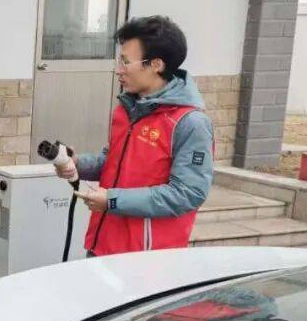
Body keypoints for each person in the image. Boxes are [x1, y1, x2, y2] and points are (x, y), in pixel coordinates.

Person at [55, 15, 214, 256]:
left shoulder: (190, 123)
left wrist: (113, 200)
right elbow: (112, 161)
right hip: (102, 244)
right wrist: (77, 163)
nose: (118, 70)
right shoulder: (127, 110)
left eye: (126, 62)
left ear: (156, 65)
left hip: (146, 258)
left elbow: (187, 193)